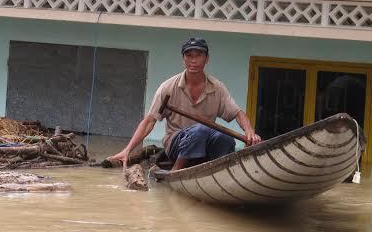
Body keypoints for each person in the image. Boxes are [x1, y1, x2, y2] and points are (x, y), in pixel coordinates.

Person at [108, 37, 261, 170]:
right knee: (199, 130)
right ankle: (176, 170)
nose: (193, 60)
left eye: (199, 55)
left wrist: (249, 132)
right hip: (176, 144)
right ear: (183, 59)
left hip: (203, 143)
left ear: (206, 59)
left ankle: (216, 169)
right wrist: (127, 150)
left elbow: (237, 113)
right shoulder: (168, 87)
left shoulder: (217, 88)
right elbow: (149, 121)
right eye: (189, 55)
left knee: (226, 139)